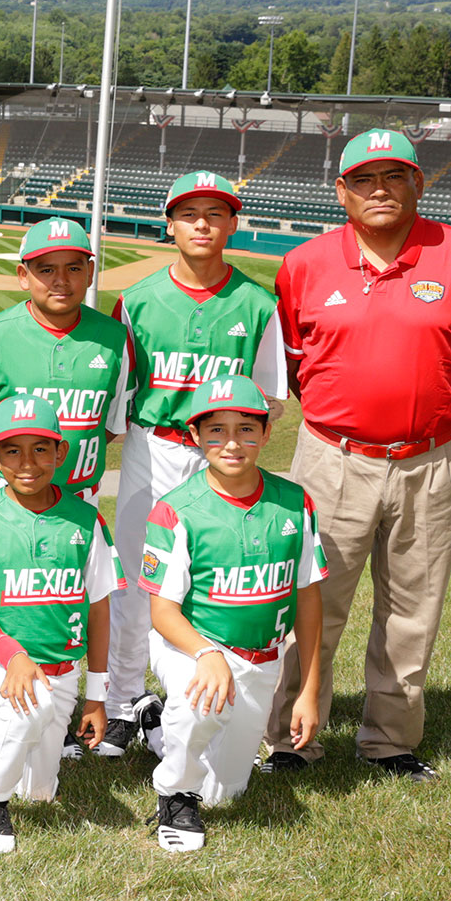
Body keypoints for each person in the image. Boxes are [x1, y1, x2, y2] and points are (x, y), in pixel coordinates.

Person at [261, 129, 451, 781]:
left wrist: (436, 397)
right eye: (365, 179)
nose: (381, 189)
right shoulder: (304, 264)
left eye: (396, 176)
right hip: (331, 458)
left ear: (418, 185)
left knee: (413, 608)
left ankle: (389, 742)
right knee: (310, 603)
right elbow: (295, 365)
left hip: (429, 460)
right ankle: (291, 739)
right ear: (341, 191)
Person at [105, 172, 284, 760]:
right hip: (153, 446)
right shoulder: (137, 299)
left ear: (233, 223)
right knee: (138, 579)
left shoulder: (258, 304)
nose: (203, 223)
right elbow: (120, 388)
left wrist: (231, 455)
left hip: (221, 456)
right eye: (190, 214)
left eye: (216, 213)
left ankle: (193, 696)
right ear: (171, 225)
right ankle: (123, 703)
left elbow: (269, 398)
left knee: (210, 583)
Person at [0, 214, 129, 763]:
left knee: (57, 603)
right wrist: (5, 473)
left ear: (90, 271)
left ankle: (63, 700)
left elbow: (113, 423)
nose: (60, 280)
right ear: (24, 274)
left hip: (77, 502)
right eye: (45, 269)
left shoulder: (114, 338)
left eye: (74, 268)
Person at [138, 377, 325, 852]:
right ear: (196, 437)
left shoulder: (294, 501)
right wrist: (206, 653)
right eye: (216, 430)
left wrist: (308, 691)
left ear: (265, 434)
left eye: (246, 428)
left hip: (262, 658)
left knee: (226, 793)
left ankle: (156, 726)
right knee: (199, 706)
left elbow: (308, 599)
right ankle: (174, 797)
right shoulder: (175, 509)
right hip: (192, 644)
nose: (232, 442)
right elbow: (161, 611)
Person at [0, 396, 122, 854]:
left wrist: (97, 696)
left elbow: (99, 608)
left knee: (39, 792)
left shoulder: (86, 519)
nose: (27, 462)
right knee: (28, 701)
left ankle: (3, 736)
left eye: (41, 449)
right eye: (12, 450)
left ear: (61, 453)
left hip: (60, 669)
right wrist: (13, 656)